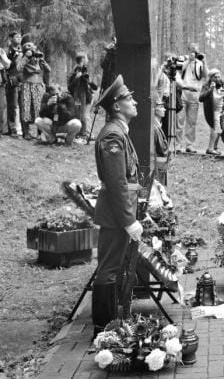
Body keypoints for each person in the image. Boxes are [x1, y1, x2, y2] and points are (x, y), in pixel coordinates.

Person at [91, 74, 143, 336]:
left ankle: (111, 325)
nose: (134, 101)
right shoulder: (113, 135)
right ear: (116, 106)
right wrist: (128, 220)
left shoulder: (119, 132)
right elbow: (116, 183)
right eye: (128, 98)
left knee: (112, 268)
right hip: (115, 216)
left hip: (118, 213)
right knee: (108, 271)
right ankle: (104, 329)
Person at [176, 43, 207, 153]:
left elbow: (205, 76)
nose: (193, 53)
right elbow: (178, 71)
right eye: (191, 51)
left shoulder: (200, 63)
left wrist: (204, 61)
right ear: (188, 51)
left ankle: (189, 145)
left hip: (195, 93)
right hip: (184, 92)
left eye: (195, 51)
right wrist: (188, 60)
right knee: (179, 120)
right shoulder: (184, 61)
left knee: (192, 121)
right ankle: (178, 145)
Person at [17, 40, 51, 139]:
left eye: (32, 46)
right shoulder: (23, 57)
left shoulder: (38, 58)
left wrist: (42, 60)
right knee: (26, 108)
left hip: (39, 86)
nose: (30, 47)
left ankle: (40, 133)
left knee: (38, 109)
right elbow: (19, 68)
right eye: (27, 46)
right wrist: (26, 57)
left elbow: (48, 70)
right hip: (27, 85)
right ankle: (26, 132)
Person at [199, 69, 224, 156]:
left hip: (221, 109)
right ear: (211, 78)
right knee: (215, 128)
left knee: (219, 129)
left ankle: (214, 147)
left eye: (219, 76)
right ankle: (210, 148)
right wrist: (211, 89)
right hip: (211, 110)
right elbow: (201, 98)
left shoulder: (221, 83)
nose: (217, 78)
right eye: (215, 77)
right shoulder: (206, 85)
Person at [67, 54, 97, 139]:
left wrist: (88, 81)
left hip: (85, 96)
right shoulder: (75, 71)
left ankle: (85, 133)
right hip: (79, 97)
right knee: (80, 115)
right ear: (83, 59)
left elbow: (92, 85)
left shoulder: (84, 69)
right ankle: (82, 133)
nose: (87, 60)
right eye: (86, 58)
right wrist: (76, 77)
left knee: (84, 115)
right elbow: (69, 87)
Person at [3, 32, 22, 136]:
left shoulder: (23, 50)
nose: (18, 38)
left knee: (21, 105)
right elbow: (7, 66)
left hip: (22, 79)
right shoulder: (6, 50)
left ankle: (22, 129)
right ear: (11, 38)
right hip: (11, 79)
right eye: (16, 37)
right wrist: (14, 56)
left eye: (20, 37)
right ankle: (12, 129)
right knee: (12, 105)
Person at [153, 99, 170, 184]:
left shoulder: (158, 126)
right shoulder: (154, 128)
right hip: (157, 170)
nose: (164, 109)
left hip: (161, 168)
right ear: (154, 109)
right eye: (161, 107)